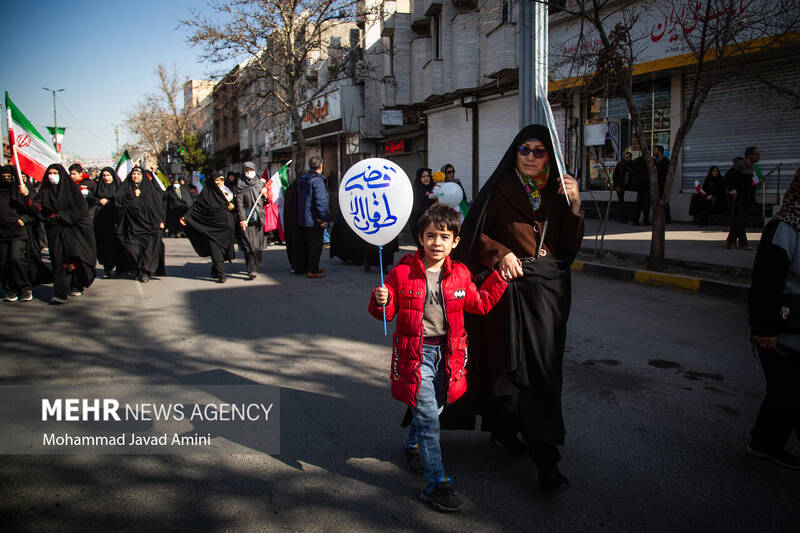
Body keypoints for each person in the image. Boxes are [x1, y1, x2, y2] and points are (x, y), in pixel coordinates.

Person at [452, 124, 584, 496]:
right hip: (506, 293)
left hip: (548, 294)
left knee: (542, 372)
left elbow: (570, 246)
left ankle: (521, 437)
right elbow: (474, 234)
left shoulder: (560, 191)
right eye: (524, 149)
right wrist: (501, 254)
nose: (530, 156)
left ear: (549, 156)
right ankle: (541, 458)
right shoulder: (498, 188)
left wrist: (575, 204)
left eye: (539, 151)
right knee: (509, 367)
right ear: (515, 152)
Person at [368, 205, 508, 512]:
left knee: (436, 409)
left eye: (444, 236)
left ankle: (411, 444)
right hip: (415, 355)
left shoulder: (460, 274)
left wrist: (500, 279)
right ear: (420, 238)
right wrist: (382, 300)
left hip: (448, 355)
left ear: (455, 242)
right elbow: (385, 314)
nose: (437, 242)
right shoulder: (401, 272)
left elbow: (480, 304)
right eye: (430, 235)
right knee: (430, 419)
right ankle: (436, 484)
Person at [747, 167, 800, 470]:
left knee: (785, 394)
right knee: (791, 391)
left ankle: (764, 443)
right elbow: (766, 283)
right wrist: (765, 328)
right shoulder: (785, 228)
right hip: (787, 328)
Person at [34, 164, 97, 303]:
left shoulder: (71, 190)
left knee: (75, 259)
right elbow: (38, 207)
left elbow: (80, 210)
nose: (52, 176)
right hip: (54, 231)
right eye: (50, 173)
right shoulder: (44, 191)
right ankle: (60, 293)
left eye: (55, 173)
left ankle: (76, 284)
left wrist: (61, 216)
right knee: (58, 261)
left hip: (73, 231)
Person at [0, 165, 51, 301]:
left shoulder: (21, 192)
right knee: (4, 262)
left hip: (19, 232)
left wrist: (24, 219)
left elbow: (36, 211)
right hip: (2, 233)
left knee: (16, 259)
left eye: (9, 177)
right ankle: (11, 288)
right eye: (3, 177)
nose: (6, 179)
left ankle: (24, 288)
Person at [181, 171, 237, 283]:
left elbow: (236, 207)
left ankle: (215, 269)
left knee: (222, 250)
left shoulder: (228, 192)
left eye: (221, 180)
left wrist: (233, 206)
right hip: (211, 227)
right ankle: (221, 274)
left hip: (225, 227)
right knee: (215, 249)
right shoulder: (206, 193)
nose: (219, 183)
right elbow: (197, 207)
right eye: (216, 181)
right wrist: (186, 217)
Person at [114, 166, 166, 283]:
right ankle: (138, 267)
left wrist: (160, 221)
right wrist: (132, 195)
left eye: (138, 174)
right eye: (133, 174)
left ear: (142, 176)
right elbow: (118, 203)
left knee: (148, 250)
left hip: (148, 225)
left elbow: (157, 206)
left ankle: (145, 272)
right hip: (131, 225)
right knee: (132, 249)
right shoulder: (125, 188)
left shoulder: (149, 189)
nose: (135, 176)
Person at [296, 156, 329, 278]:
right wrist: (324, 218)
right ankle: (313, 270)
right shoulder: (317, 180)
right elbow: (321, 201)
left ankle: (309, 266)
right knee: (316, 246)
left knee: (308, 245)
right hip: (315, 219)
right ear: (320, 166)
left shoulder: (303, 178)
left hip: (304, 219)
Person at [235, 161, 267, 279]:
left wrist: (265, 195)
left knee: (258, 245)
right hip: (247, 219)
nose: (249, 173)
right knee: (249, 245)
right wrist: (242, 219)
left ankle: (257, 263)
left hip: (259, 218)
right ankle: (251, 269)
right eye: (246, 171)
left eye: (251, 170)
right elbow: (239, 204)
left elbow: (267, 202)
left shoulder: (260, 183)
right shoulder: (240, 184)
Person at [89, 167, 122, 278]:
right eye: (104, 175)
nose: (106, 178)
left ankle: (120, 267)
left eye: (108, 175)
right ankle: (107, 268)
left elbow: (123, 198)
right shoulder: (97, 186)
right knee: (104, 245)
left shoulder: (119, 186)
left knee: (117, 243)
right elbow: (89, 198)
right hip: (101, 219)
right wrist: (99, 201)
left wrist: (113, 202)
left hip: (116, 220)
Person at [725, 148, 759, 249]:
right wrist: (732, 189)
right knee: (739, 219)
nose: (758, 156)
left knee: (739, 219)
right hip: (736, 196)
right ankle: (743, 243)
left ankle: (730, 240)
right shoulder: (741, 164)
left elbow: (748, 184)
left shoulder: (752, 167)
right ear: (749, 155)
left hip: (745, 196)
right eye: (756, 154)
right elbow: (728, 176)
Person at [408, 168, 435, 244]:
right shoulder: (415, 191)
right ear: (419, 178)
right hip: (418, 224)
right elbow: (415, 209)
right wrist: (431, 207)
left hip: (431, 224)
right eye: (423, 177)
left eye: (428, 176)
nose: (426, 178)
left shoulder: (434, 189)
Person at [612, 152, 635, 223]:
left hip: (630, 185)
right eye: (626, 157)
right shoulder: (620, 165)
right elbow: (615, 176)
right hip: (621, 185)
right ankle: (621, 218)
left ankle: (631, 217)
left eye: (628, 157)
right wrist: (616, 186)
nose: (627, 159)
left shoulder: (633, 165)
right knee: (621, 202)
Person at [653, 145, 671, 224]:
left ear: (660, 151)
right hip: (657, 184)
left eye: (655, 150)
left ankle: (667, 218)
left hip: (663, 184)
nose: (654, 152)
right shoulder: (656, 161)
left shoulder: (665, 161)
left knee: (664, 202)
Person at [631, 154, 650, 225]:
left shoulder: (637, 161)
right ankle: (645, 220)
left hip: (640, 184)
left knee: (639, 203)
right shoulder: (650, 161)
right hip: (647, 185)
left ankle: (635, 220)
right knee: (646, 204)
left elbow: (633, 173)